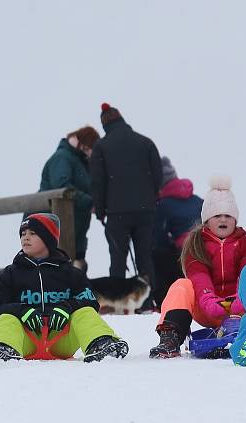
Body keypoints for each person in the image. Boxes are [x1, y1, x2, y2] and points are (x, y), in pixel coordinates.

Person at [149, 176, 246, 359]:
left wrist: (241, 299)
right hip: (207, 307)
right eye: (217, 216)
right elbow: (198, 275)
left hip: (242, 306)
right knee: (181, 286)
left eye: (228, 216)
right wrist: (208, 300)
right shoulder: (196, 243)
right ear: (207, 220)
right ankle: (170, 336)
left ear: (235, 220)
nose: (223, 219)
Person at [0, 213, 128, 364]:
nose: (26, 237)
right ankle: (2, 349)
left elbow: (90, 301)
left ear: (48, 238)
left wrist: (67, 307)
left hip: (62, 340)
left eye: (33, 233)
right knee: (7, 317)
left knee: (85, 312)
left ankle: (102, 344)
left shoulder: (71, 273)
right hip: (26, 340)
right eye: (23, 234)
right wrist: (21, 311)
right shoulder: (9, 275)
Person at [90, 103, 162, 307]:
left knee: (118, 259)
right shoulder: (145, 142)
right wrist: (151, 199)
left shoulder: (101, 147)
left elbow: (98, 181)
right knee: (145, 258)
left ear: (104, 124)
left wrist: (100, 210)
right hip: (145, 211)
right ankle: (148, 302)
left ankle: (117, 302)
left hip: (116, 213)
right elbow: (158, 176)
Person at [38, 126, 99, 270]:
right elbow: (62, 187)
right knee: (54, 273)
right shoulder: (62, 158)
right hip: (55, 230)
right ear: (83, 144)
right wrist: (89, 203)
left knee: (74, 272)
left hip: (74, 231)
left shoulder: (82, 162)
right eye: (90, 149)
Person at [152, 156, 203, 306]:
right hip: (203, 247)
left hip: (182, 253)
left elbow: (159, 238)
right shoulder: (197, 200)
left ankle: (164, 301)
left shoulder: (163, 205)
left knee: (157, 256)